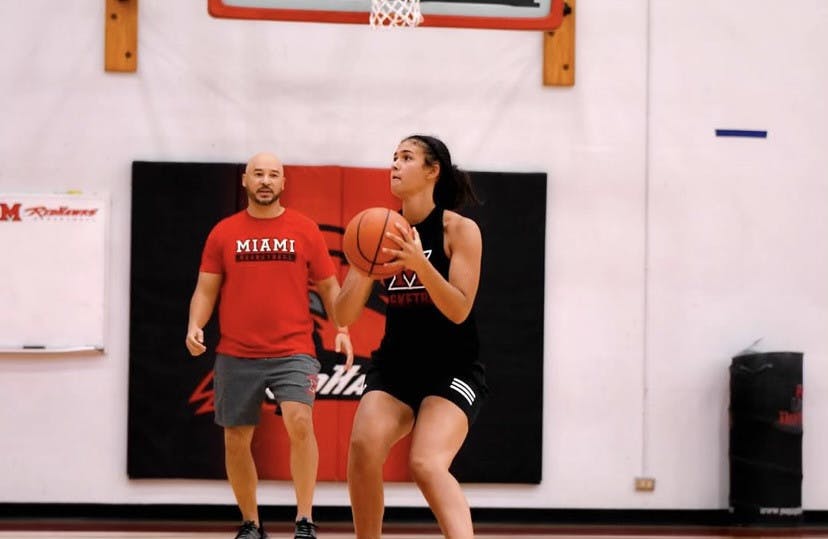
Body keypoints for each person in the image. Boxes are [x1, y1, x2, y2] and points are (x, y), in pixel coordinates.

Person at [185, 151, 354, 539]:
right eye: (258, 174)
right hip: (236, 352)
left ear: (283, 183)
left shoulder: (304, 229)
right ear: (244, 180)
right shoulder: (223, 232)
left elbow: (330, 288)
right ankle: (250, 523)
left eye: (273, 175)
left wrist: (342, 327)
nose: (265, 180)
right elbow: (205, 288)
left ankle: (305, 519)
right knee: (236, 438)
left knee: (299, 421)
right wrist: (195, 323)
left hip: (293, 350)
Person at [334, 135, 487, 539]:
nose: (395, 166)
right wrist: (364, 267)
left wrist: (420, 264)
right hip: (396, 369)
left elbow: (458, 310)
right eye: (393, 158)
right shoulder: (379, 229)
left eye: (406, 158)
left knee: (425, 463)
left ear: (432, 170)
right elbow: (342, 313)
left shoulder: (459, 230)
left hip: (452, 370)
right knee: (364, 447)